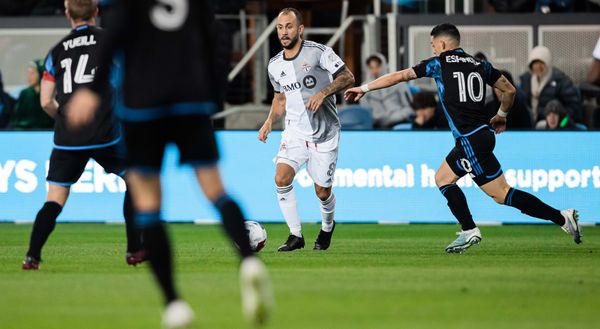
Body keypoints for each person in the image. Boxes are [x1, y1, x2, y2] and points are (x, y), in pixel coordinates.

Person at [67, 0, 272, 327]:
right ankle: (249, 262)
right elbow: (216, 34)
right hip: (191, 100)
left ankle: (174, 304)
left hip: (142, 103)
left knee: (148, 204)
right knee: (215, 189)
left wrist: (90, 91)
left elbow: (114, 34)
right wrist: (212, 93)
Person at [345, 23, 582, 253]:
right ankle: (562, 217)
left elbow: (400, 76)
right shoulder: (481, 65)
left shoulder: (439, 63)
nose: (433, 49)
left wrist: (364, 89)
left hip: (469, 139)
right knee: (457, 181)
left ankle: (470, 229)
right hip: (482, 135)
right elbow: (510, 90)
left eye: (433, 45)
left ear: (443, 44)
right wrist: (501, 115)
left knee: (491, 192)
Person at [21, 0, 143, 270]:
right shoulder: (110, 42)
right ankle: (134, 249)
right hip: (106, 132)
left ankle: (32, 256)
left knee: (54, 198)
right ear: (96, 12)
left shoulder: (56, 51)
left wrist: (64, 118)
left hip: (67, 137)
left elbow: (45, 102)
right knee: (135, 182)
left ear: (67, 14)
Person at [258, 8, 355, 252]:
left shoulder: (319, 53)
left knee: (322, 192)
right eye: (280, 27)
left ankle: (327, 226)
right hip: (294, 132)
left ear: (300, 29)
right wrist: (269, 121)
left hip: (325, 132)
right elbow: (279, 98)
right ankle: (295, 235)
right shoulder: (274, 65)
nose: (284, 32)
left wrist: (323, 92)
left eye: (289, 26)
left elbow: (348, 77)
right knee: (281, 178)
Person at [518, 45, 583, 123]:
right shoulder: (526, 79)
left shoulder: (561, 80)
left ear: (547, 62)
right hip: (529, 124)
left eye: (540, 63)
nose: (537, 66)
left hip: (553, 126)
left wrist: (561, 123)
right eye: (534, 63)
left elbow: (573, 107)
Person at [361, 53, 413, 128]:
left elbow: (410, 107)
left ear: (384, 65)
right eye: (371, 67)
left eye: (377, 66)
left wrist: (396, 117)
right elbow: (365, 111)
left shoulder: (399, 83)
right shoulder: (364, 87)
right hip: (376, 126)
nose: (375, 71)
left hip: (398, 123)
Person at [9, 59, 54, 129]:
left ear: (40, 73)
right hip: (25, 132)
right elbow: (17, 118)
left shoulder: (50, 94)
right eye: (28, 73)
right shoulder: (25, 94)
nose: (29, 77)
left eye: (32, 73)